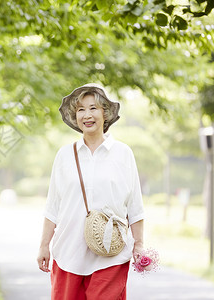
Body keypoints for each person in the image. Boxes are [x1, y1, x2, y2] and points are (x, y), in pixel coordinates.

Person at [37, 83, 145, 300]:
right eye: (81, 109)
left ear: (105, 113)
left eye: (93, 108)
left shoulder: (123, 153)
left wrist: (139, 244)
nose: (87, 115)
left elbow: (135, 205)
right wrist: (44, 246)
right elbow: (53, 206)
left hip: (110, 256)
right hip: (68, 253)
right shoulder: (65, 155)